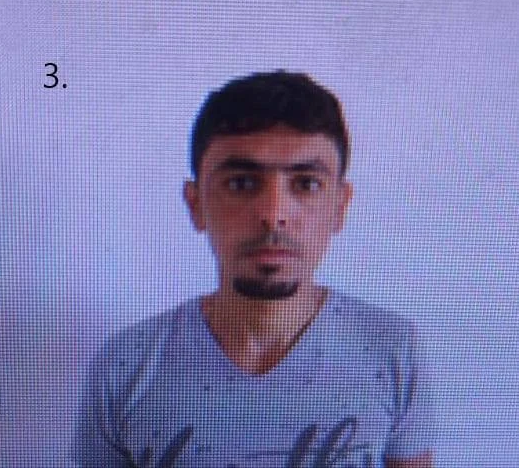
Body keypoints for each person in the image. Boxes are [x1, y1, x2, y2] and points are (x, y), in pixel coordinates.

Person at [72, 70, 435, 467]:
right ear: (195, 204)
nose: (274, 214)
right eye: (242, 183)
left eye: (306, 184)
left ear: (339, 206)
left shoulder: (393, 351)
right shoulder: (124, 366)